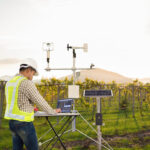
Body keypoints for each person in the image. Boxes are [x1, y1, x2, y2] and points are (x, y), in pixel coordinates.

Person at [4, 58, 61, 150]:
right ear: (28, 70)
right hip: (24, 123)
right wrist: (53, 111)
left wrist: (30, 108)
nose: (32, 76)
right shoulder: (26, 83)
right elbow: (40, 101)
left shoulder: (10, 82)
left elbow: (16, 100)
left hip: (12, 122)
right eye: (33, 74)